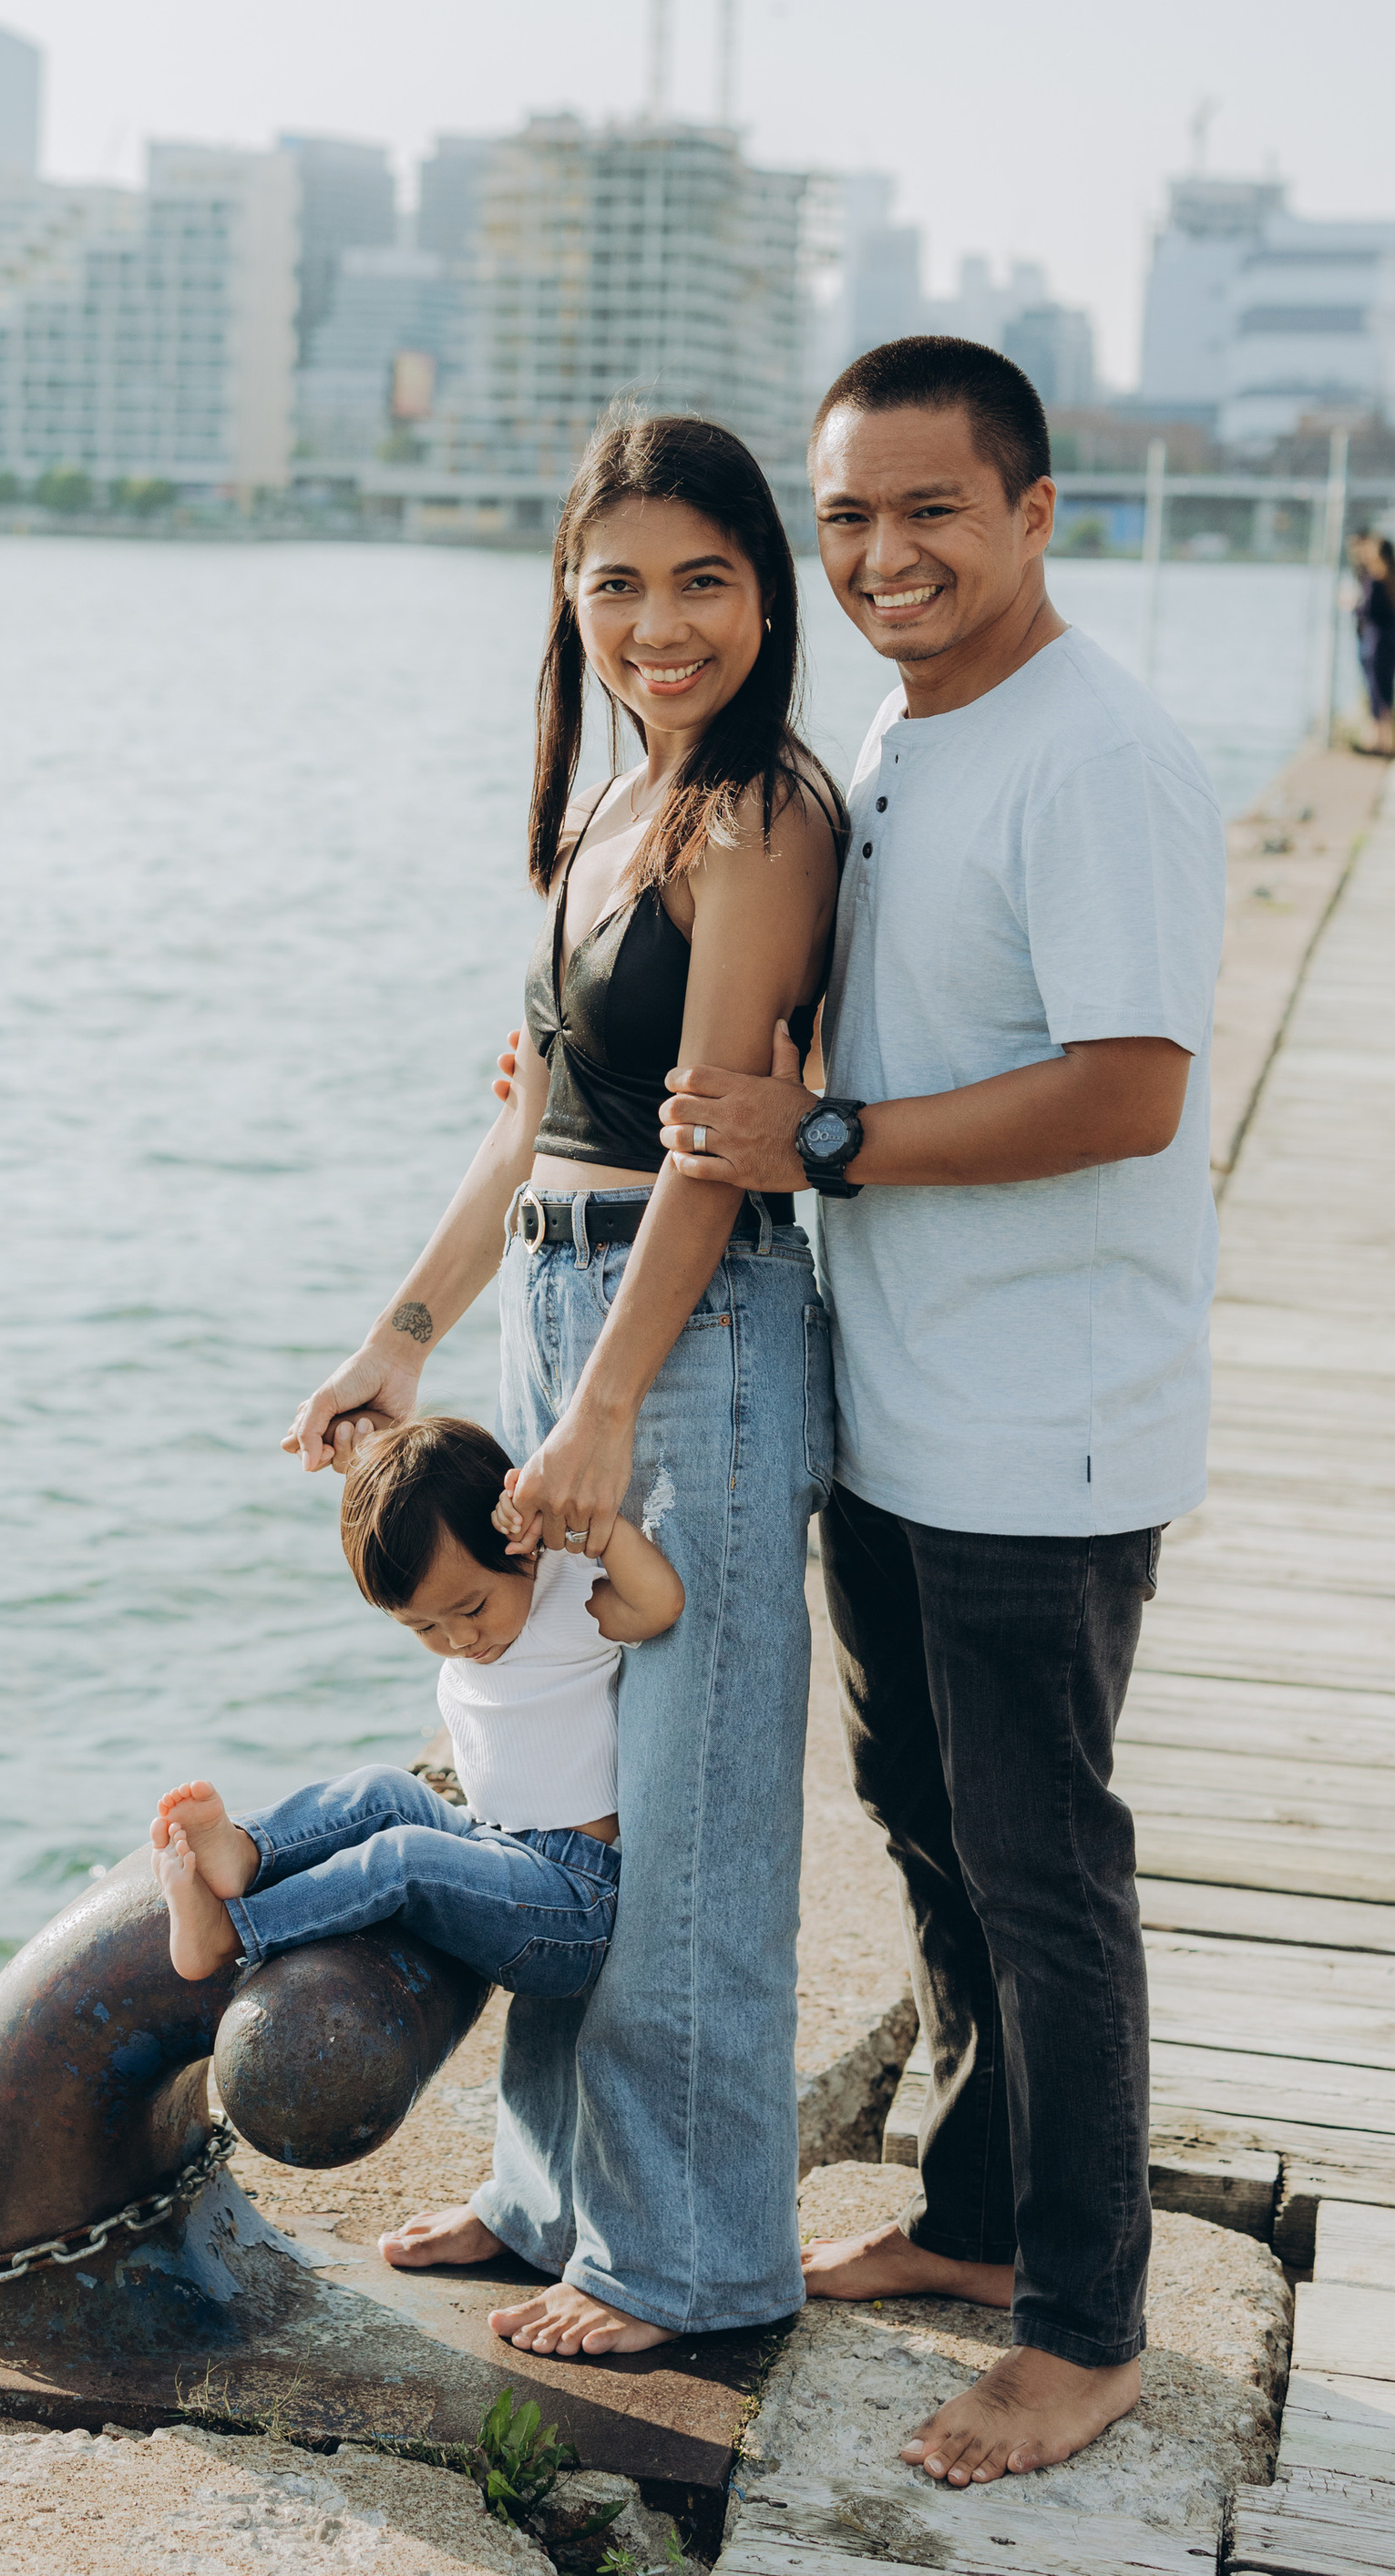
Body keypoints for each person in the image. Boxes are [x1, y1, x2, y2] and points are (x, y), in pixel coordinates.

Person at [655, 335, 1225, 2490]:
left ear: (1033, 513)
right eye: (851, 517)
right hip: (897, 1407)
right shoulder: (910, 727)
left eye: (931, 511)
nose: (884, 554)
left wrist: (816, 1144)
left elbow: (1123, 1085)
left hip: (1043, 1424)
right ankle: (982, 2221)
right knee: (924, 1822)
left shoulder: (1097, 755)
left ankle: (1083, 2325)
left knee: (1039, 1862)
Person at [286, 411, 845, 2361]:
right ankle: (548, 2203)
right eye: (616, 583)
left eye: (699, 579)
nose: (657, 621)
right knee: (558, 1796)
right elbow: (532, 1125)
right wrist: (401, 1336)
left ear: (765, 593)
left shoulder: (760, 811)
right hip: (560, 1314)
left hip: (683, 1344)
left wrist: (602, 1406)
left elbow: (701, 1147)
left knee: (682, 1826)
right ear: (568, 598)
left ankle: (690, 2265)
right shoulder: (614, 809)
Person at [149, 1416, 682, 1986]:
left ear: (521, 1551)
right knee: (382, 1789)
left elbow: (659, 1605)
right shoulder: (466, 1613)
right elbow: (412, 1515)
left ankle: (233, 1934)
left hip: (572, 1902)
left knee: (402, 1860)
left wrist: (568, 1518)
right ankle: (249, 1852)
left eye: (473, 1609)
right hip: (490, 1844)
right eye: (423, 1626)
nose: (459, 1640)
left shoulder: (567, 1596)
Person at [1350, 532, 1395, 755]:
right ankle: (1382, 741)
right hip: (1388, 640)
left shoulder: (1375, 582)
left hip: (1376, 642)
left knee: (1377, 691)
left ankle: (1379, 742)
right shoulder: (1390, 579)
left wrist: (1352, 603)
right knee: (1384, 691)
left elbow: (1366, 610)